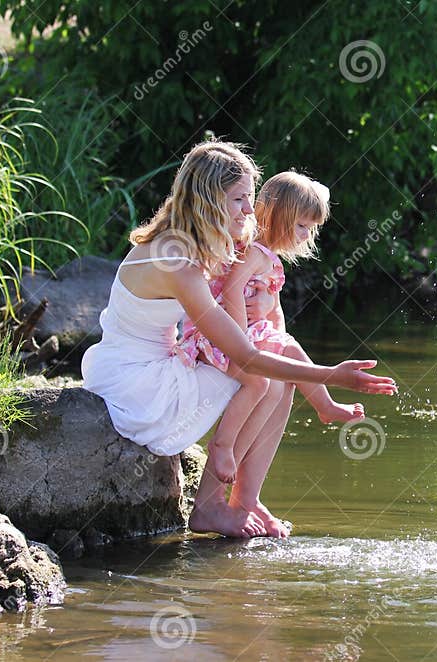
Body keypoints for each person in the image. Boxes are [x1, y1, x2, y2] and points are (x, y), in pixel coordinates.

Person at [81, 140, 396, 539]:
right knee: (267, 373)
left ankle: (246, 498)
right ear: (209, 200)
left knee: (277, 363)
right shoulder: (177, 262)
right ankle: (211, 506)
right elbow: (244, 357)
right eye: (239, 199)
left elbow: (261, 238)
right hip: (142, 385)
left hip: (147, 362)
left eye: (250, 196)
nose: (249, 209)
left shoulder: (181, 236)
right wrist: (331, 376)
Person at [173, 170, 363, 487]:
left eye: (310, 228)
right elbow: (231, 289)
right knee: (259, 383)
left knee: (291, 350)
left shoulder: (265, 253)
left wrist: (270, 329)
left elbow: (274, 315)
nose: (305, 235)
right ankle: (222, 444)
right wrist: (242, 336)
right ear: (277, 217)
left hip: (241, 331)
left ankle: (325, 405)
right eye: (301, 225)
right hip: (222, 335)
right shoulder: (254, 252)